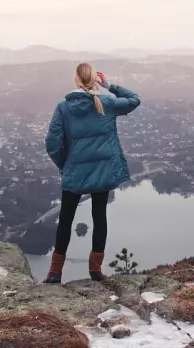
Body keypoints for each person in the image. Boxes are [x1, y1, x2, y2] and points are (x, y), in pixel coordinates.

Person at [43, 62, 141, 283]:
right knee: (100, 218)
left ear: (76, 80)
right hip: (102, 172)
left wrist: (64, 164)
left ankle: (55, 272)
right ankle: (95, 271)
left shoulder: (64, 107)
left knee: (66, 219)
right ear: (93, 80)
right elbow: (134, 99)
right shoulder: (106, 102)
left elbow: (52, 143)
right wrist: (108, 85)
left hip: (74, 172)